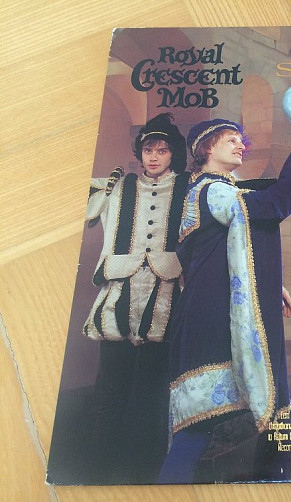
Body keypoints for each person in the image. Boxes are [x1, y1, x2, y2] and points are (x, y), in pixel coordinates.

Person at [158, 119, 291, 483]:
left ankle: (272, 484)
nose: (241, 146)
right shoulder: (213, 191)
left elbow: (234, 244)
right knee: (202, 418)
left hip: (213, 307)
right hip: (211, 315)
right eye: (231, 140)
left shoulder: (216, 190)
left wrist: (269, 284)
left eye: (242, 141)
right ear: (206, 148)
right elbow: (270, 206)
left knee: (229, 415)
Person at [83, 112, 189, 483]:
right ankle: (98, 472)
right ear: (140, 153)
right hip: (117, 302)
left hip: (166, 304)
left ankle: (143, 473)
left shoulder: (191, 187)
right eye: (148, 150)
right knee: (109, 393)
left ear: (173, 154)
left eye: (162, 150)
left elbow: (237, 206)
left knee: (153, 396)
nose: (154, 157)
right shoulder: (119, 186)